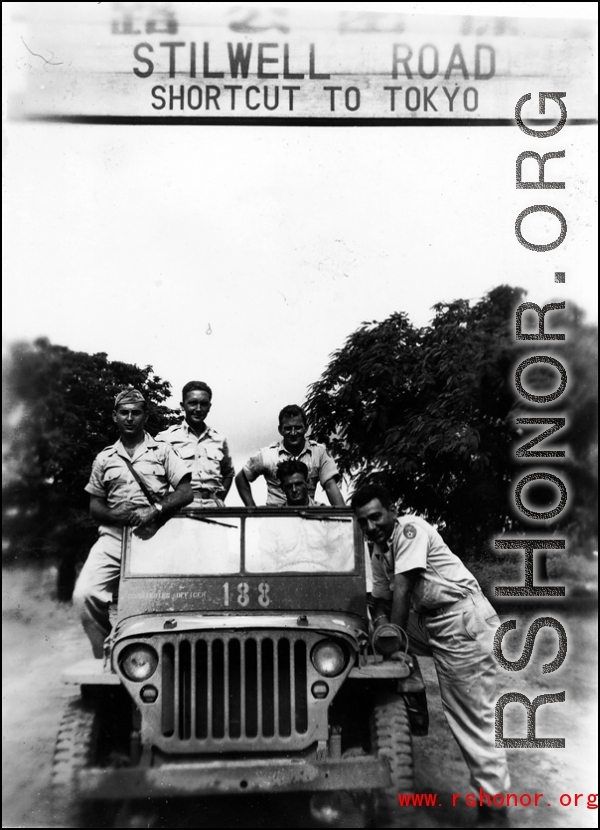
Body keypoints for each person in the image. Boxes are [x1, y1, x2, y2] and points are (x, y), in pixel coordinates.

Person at [351, 484, 511, 829]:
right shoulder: (380, 548)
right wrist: (379, 624)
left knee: (472, 716)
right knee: (366, 639)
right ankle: (409, 700)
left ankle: (495, 810)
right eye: (363, 522)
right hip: (433, 622)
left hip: (461, 617)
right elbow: (379, 598)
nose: (371, 526)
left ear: (392, 510)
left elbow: (403, 589)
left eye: (376, 517)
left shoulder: (410, 529)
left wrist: (391, 640)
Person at [73, 388, 193, 657]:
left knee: (163, 604)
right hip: (114, 538)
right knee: (84, 595)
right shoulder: (104, 458)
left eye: (135, 413)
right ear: (114, 416)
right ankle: (108, 656)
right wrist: (115, 514)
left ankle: (163, 661)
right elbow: (95, 507)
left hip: (156, 537)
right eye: (124, 413)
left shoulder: (163, 451)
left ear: (145, 416)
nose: (129, 418)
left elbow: (186, 493)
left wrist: (155, 509)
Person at [235, 404, 345, 507]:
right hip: (275, 519)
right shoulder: (267, 455)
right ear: (280, 430)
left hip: (306, 516)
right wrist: (253, 512)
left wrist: (345, 519)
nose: (293, 433)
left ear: (306, 428)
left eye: (298, 427)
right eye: (288, 428)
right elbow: (241, 478)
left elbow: (330, 486)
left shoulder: (319, 453)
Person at [156, 380, 234, 506]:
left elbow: (228, 473)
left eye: (203, 404)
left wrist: (220, 498)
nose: (198, 409)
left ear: (209, 406)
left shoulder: (219, 440)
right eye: (192, 403)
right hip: (178, 510)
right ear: (183, 406)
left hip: (213, 509)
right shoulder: (165, 439)